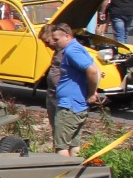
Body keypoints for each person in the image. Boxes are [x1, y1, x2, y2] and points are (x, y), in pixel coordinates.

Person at [44, 22, 102, 156]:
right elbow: (96, 69)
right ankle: (74, 172)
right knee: (74, 144)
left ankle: (62, 175)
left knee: (61, 146)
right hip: (77, 105)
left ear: (67, 36)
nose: (53, 42)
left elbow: (92, 71)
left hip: (69, 107)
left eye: (56, 39)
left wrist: (92, 92)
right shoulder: (78, 47)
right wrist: (93, 90)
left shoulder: (71, 51)